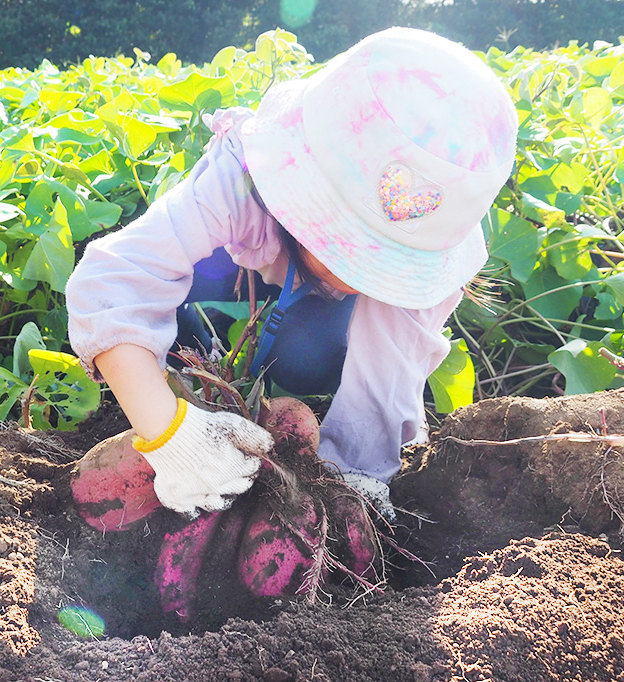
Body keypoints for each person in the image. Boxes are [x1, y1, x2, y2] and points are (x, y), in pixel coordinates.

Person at [65, 26, 518, 523]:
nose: (366, 276)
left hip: (321, 327)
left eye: (383, 265)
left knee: (305, 358)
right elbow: (114, 278)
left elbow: (385, 384)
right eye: (351, 255)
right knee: (184, 319)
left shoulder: (429, 244)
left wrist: (350, 488)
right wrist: (169, 431)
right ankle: (187, 371)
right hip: (226, 270)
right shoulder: (241, 180)